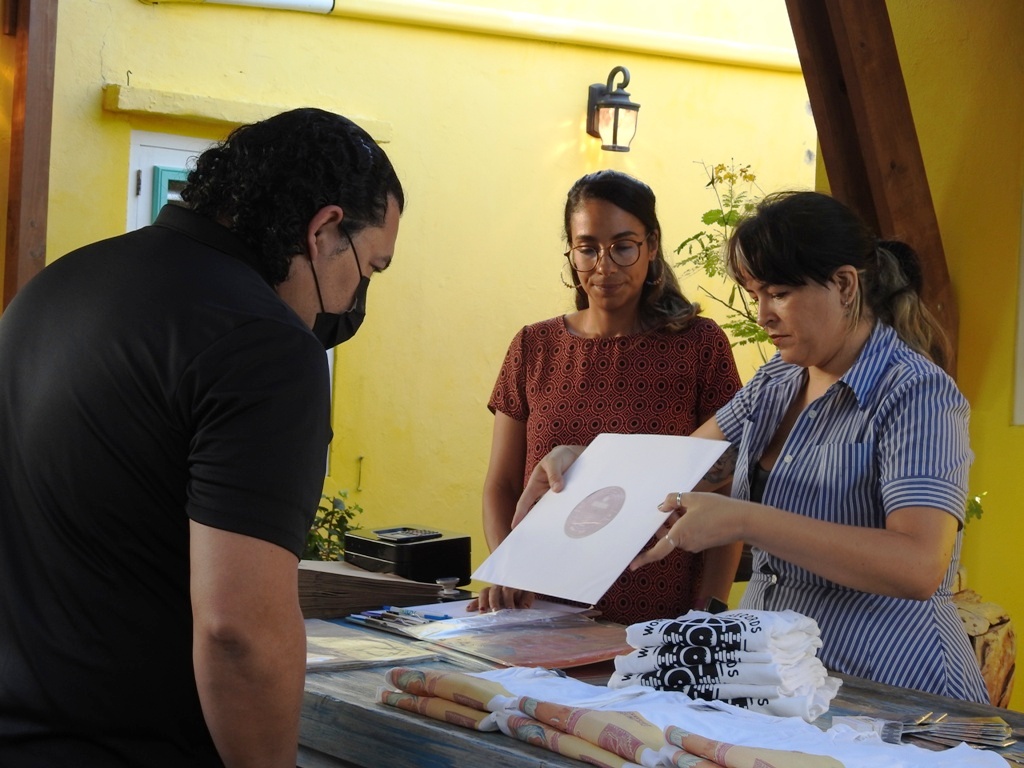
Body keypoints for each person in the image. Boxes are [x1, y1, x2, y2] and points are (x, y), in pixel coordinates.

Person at [0, 108, 404, 766]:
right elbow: (238, 630)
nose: (357, 297)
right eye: (371, 268)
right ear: (325, 230)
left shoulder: (53, 288)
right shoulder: (265, 345)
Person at [517, 190, 989, 703]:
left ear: (845, 284)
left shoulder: (916, 393)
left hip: (894, 689)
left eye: (779, 293)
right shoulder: (778, 381)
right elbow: (673, 471)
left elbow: (919, 565)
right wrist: (579, 461)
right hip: (782, 685)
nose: (762, 315)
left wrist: (743, 520)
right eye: (754, 293)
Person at [472, 170, 742, 624]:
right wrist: (508, 568)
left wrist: (706, 612)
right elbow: (501, 485)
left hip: (659, 616)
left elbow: (729, 486)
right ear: (571, 252)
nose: (605, 266)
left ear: (651, 246)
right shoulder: (533, 347)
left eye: (623, 246)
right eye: (587, 248)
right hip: (542, 609)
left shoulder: (700, 345)